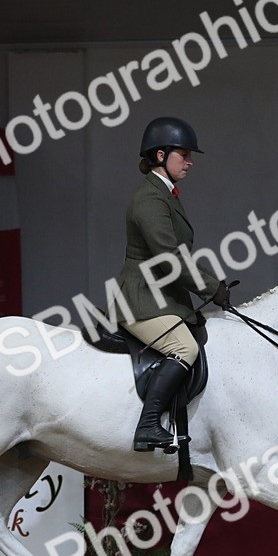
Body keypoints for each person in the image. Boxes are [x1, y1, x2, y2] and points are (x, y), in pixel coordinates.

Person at [117, 117, 230, 452]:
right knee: (184, 348)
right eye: (184, 154)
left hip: (163, 296)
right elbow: (169, 258)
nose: (190, 161)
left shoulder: (164, 194)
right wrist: (211, 288)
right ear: (161, 155)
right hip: (141, 299)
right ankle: (148, 425)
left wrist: (212, 284)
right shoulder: (149, 199)